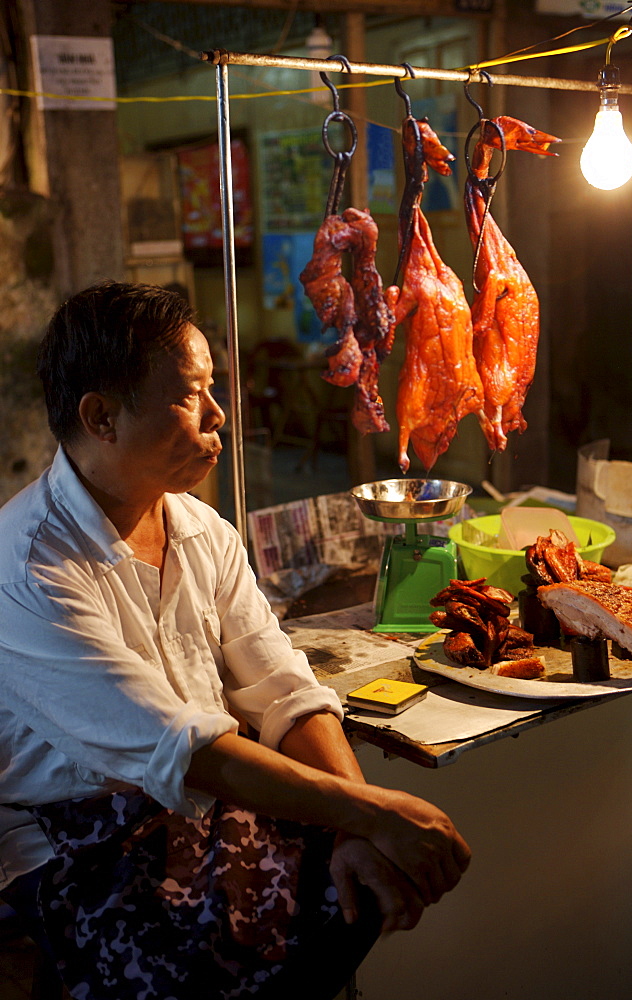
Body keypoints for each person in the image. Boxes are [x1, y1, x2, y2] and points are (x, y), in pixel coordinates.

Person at [0, 281, 471, 999]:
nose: (219, 415)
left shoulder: (201, 532)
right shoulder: (29, 565)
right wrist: (374, 810)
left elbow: (283, 688)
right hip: (77, 839)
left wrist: (357, 825)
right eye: (190, 395)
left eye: (212, 388)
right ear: (100, 417)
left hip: (200, 807)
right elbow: (176, 743)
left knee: (363, 880)